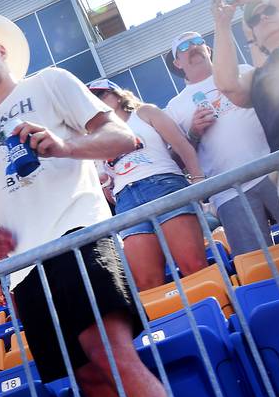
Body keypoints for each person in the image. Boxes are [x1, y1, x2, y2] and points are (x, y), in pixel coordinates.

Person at [0, 12, 192, 397]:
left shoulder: (50, 81)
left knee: (114, 357)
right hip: (25, 272)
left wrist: (65, 147)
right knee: (90, 384)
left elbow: (121, 136)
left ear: (2, 52)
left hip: (77, 236)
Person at [164, 30, 279, 255]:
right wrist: (194, 132)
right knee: (256, 264)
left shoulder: (241, 72)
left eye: (197, 42)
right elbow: (177, 158)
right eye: (183, 48)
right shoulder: (175, 106)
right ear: (177, 62)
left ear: (208, 49)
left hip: (275, 171)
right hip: (229, 192)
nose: (192, 47)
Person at [87, 79, 207, 290]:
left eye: (101, 95)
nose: (97, 102)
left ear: (117, 93)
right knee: (147, 283)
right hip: (126, 199)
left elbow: (182, 145)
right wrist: (107, 186)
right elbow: (104, 184)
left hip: (163, 184)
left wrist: (198, 181)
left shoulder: (145, 113)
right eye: (91, 100)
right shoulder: (95, 138)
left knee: (193, 265)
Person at [212, 0, 279, 240]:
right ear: (255, 37)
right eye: (254, 19)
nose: (263, 18)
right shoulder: (257, 76)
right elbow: (227, 84)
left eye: (270, 11)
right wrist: (222, 24)